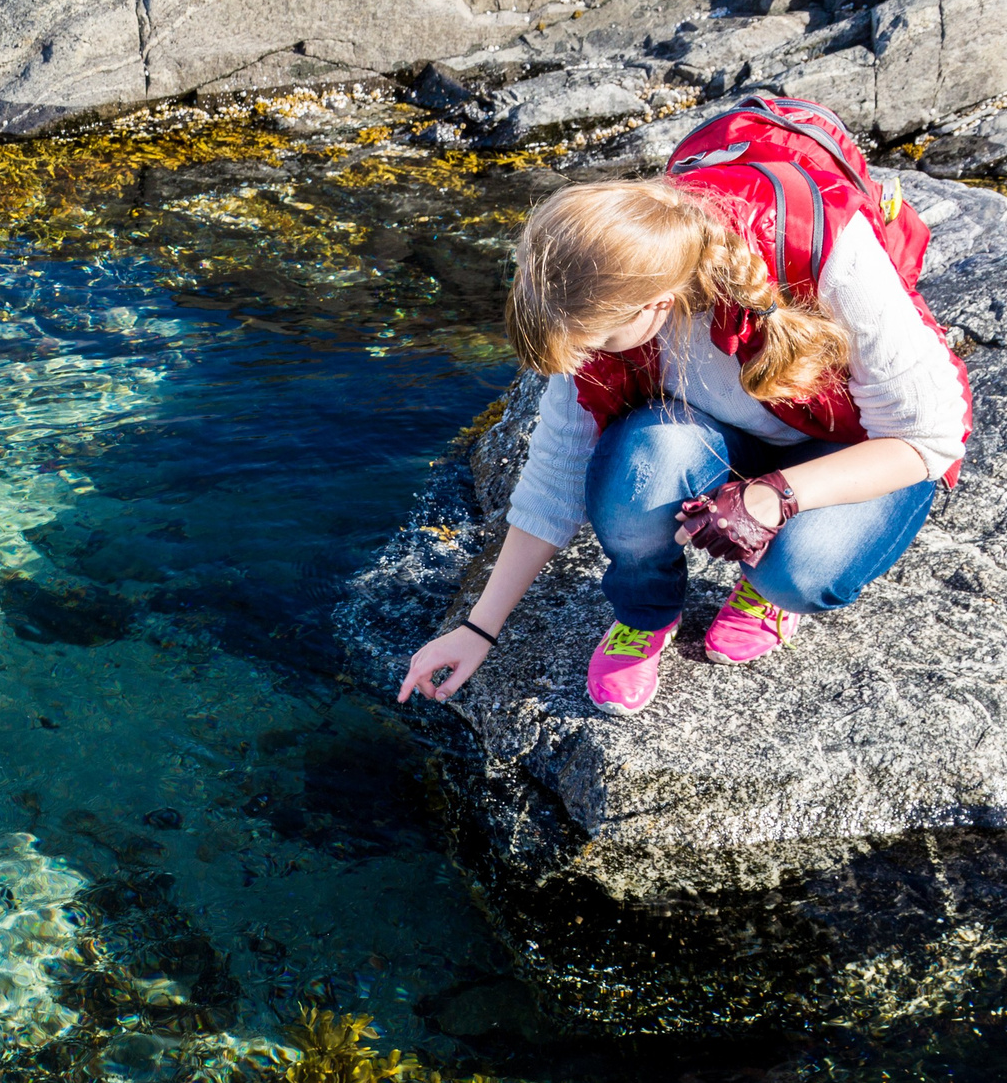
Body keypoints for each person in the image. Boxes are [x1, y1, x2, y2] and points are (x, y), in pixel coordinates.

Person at [396, 174, 971, 716]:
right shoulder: (597, 286)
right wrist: (478, 628)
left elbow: (930, 439)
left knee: (801, 572)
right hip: (719, 438)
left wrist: (775, 497)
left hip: (851, 454)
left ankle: (762, 592)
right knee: (638, 473)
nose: (586, 360)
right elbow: (555, 476)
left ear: (657, 306)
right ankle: (647, 613)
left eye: (595, 343)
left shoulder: (827, 254)